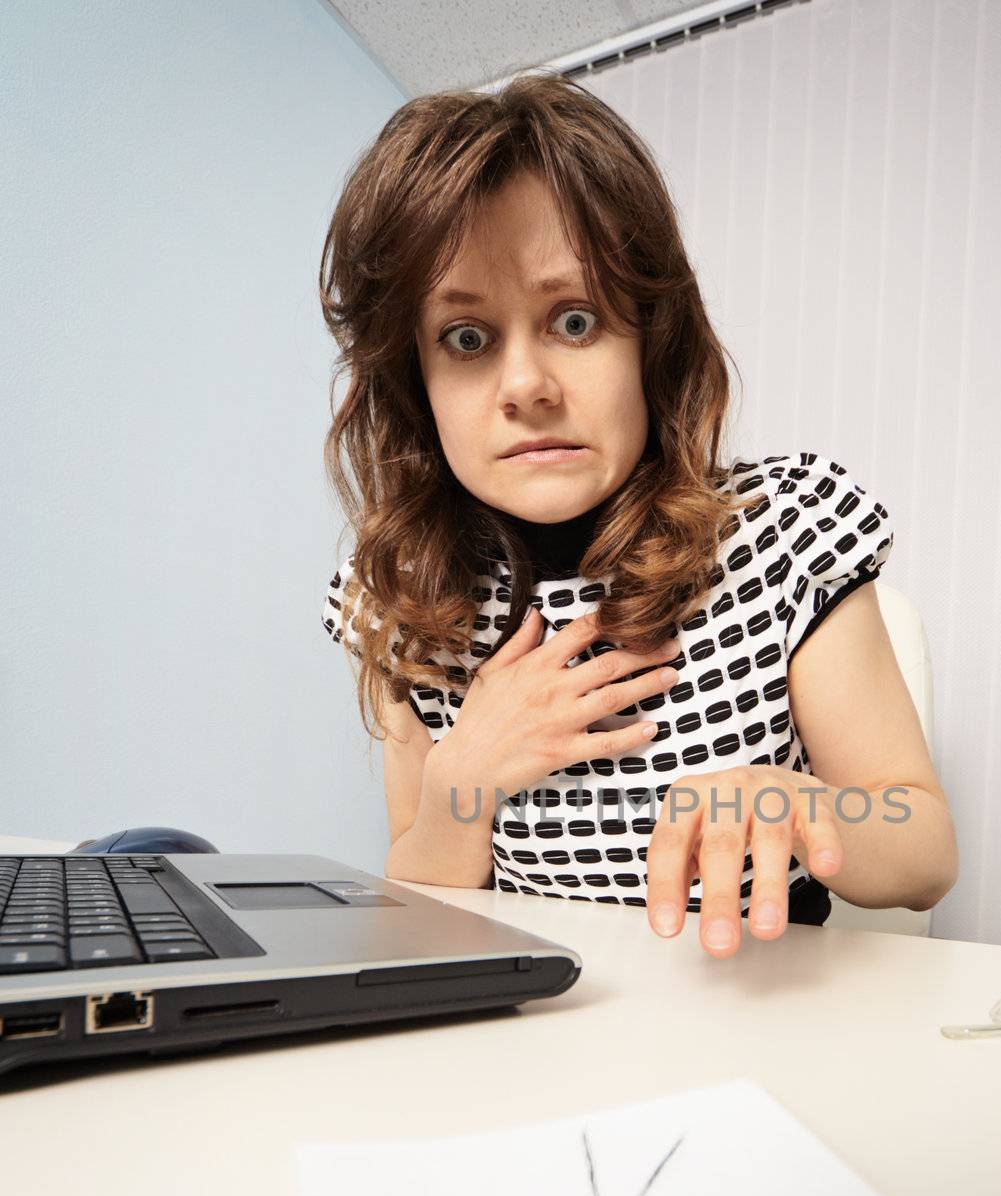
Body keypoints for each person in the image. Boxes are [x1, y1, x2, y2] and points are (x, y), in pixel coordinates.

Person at [319, 73, 957, 960]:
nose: (525, 387)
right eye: (466, 339)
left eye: (574, 321)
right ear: (415, 383)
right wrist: (462, 773)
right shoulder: (403, 598)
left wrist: (797, 803)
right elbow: (421, 899)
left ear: (650, 342)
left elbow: (922, 852)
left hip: (758, 1025)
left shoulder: (781, 537)